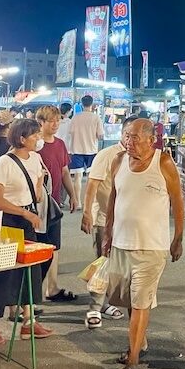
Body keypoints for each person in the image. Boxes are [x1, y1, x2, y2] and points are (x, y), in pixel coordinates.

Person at [103, 117, 184, 369]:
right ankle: (139, 344)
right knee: (127, 301)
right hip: (121, 245)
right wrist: (107, 233)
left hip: (152, 247)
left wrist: (178, 238)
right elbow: (113, 198)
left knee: (139, 303)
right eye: (126, 136)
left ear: (152, 140)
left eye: (135, 137)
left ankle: (132, 363)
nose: (129, 142)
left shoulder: (163, 163)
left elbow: (177, 201)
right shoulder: (118, 161)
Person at [0, 118, 54, 344]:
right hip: (7, 221)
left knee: (29, 271)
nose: (39, 139)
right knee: (0, 274)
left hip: (27, 218)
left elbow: (37, 196)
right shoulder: (4, 162)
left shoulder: (36, 158)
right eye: (35, 135)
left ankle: (29, 322)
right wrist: (25, 214)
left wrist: (40, 179)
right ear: (22, 138)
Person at [81, 115, 132, 329]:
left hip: (127, 222)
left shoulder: (138, 158)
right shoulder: (107, 155)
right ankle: (94, 307)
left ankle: (107, 302)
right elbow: (92, 184)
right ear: (122, 134)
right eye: (129, 135)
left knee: (121, 266)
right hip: (104, 219)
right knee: (103, 263)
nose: (132, 140)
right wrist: (87, 213)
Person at [35, 105, 79, 303]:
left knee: (54, 247)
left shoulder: (60, 144)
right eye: (50, 121)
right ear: (41, 122)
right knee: (36, 249)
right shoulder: (34, 144)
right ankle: (30, 294)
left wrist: (73, 194)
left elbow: (64, 171)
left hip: (54, 203)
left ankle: (52, 288)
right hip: (36, 205)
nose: (55, 124)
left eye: (57, 120)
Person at [69, 94, 104, 203]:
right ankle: (89, 201)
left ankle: (78, 202)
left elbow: (71, 132)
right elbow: (100, 135)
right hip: (92, 150)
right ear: (92, 104)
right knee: (91, 177)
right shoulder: (96, 118)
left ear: (81, 104)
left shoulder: (75, 117)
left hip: (76, 149)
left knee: (77, 177)